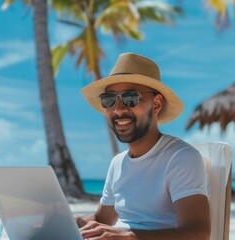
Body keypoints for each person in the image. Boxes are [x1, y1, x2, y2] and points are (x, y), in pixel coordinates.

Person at [77, 53, 210, 240]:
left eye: (131, 98)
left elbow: (198, 233)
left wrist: (129, 237)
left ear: (156, 104)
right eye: (109, 100)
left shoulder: (181, 158)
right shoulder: (117, 163)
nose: (119, 109)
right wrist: (69, 222)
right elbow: (101, 220)